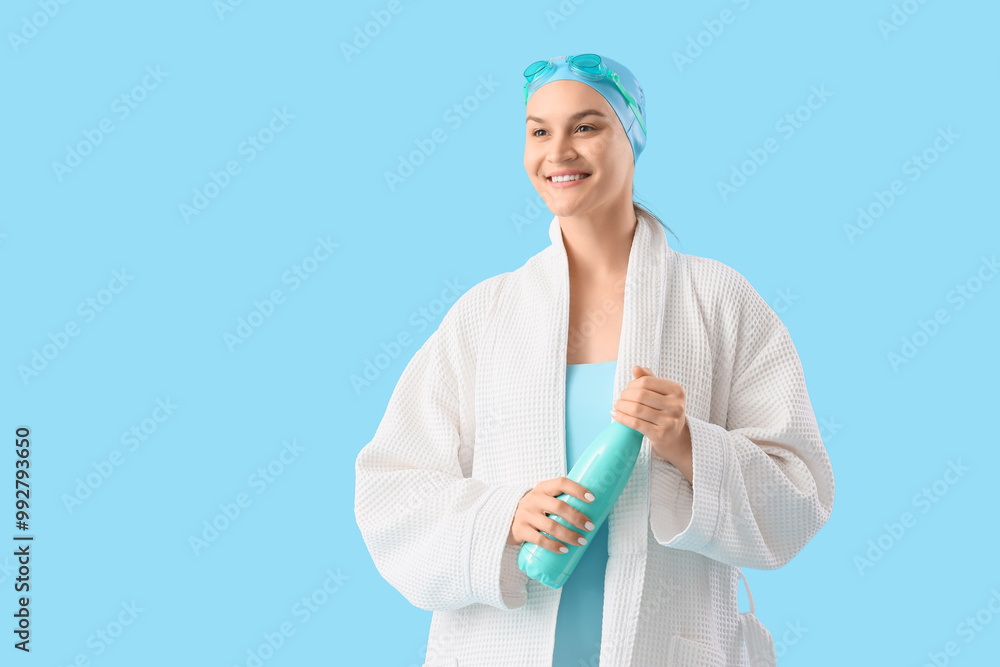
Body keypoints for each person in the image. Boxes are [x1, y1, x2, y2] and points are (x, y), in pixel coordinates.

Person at [355, 53, 835, 667]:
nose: (558, 152)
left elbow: (800, 498)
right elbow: (390, 492)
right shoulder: (484, 315)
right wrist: (505, 517)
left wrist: (688, 444)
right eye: (538, 131)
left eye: (585, 126)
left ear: (633, 137)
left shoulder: (718, 301)